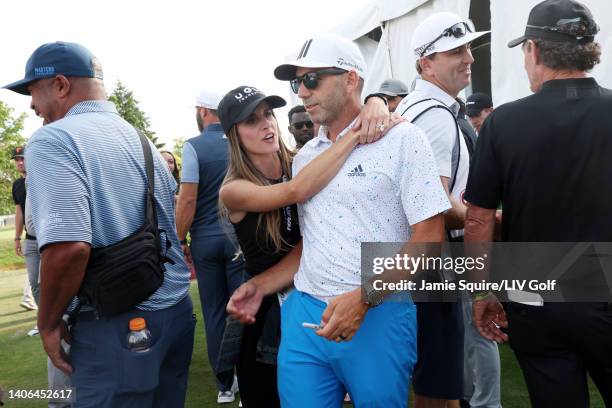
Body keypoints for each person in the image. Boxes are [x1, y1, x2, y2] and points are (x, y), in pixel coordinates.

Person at [228, 34, 450, 408]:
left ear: (350, 79)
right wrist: (262, 285)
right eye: (297, 82)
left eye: (312, 80)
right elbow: (314, 242)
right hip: (304, 314)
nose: (302, 92)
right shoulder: (305, 158)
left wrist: (363, 298)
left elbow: (429, 239)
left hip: (378, 312)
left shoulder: (404, 139)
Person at [3, 41, 194, 407]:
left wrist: (47, 322)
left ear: (60, 85)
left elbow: (69, 247)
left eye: (33, 91)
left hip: (116, 325)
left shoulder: (51, 139)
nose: (31, 105)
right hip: (174, 313)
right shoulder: (139, 137)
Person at [464, 0, 612, 406]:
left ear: (534, 50)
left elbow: (477, 219)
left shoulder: (503, 122)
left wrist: (481, 293)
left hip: (536, 298)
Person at [218, 82, 393, 407]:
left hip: (316, 299)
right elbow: (296, 192)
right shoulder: (234, 189)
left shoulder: (303, 162)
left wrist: (376, 101)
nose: (266, 124)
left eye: (268, 114)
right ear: (234, 134)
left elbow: (314, 237)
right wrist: (357, 131)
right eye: (251, 120)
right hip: (265, 317)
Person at [394, 12, 497, 408]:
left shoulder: (421, 107)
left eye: (469, 47)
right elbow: (431, 205)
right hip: (433, 260)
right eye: (455, 50)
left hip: (421, 260)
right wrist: (486, 219)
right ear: (426, 64)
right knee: (438, 385)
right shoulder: (434, 116)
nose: (469, 57)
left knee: (441, 377)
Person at [175, 88, 243, 404]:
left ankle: (225, 385)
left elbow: (187, 197)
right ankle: (248, 378)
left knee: (215, 312)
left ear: (203, 111)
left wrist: (178, 238)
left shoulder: (193, 146)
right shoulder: (241, 139)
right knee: (243, 310)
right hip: (240, 240)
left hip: (205, 241)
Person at [11, 146, 40, 336]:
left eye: (22, 158)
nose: (20, 162)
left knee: (49, 282)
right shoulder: (16, 185)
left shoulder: (40, 178)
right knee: (34, 284)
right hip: (30, 241)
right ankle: (45, 320)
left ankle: (59, 320)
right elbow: (20, 211)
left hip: (48, 239)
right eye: (17, 160)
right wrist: (16, 237)